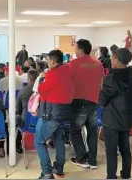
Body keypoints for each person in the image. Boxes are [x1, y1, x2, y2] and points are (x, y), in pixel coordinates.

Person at [99, 48, 132, 179]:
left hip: (112, 120)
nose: (111, 60)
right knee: (125, 148)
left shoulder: (110, 79)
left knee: (111, 151)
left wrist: (101, 88)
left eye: (112, 57)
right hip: (128, 119)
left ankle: (111, 176)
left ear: (117, 60)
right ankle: (126, 174)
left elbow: (102, 101)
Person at [35, 50, 73, 179]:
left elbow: (42, 90)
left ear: (52, 61)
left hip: (52, 113)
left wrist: (42, 80)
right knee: (59, 139)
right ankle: (59, 169)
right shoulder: (68, 70)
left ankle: (46, 173)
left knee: (39, 142)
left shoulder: (51, 74)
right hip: (65, 112)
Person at [69, 39, 104, 169]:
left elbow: (67, 83)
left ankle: (81, 158)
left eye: (76, 48)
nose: (74, 50)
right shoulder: (98, 63)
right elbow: (101, 84)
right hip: (94, 101)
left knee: (76, 130)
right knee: (92, 131)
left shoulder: (73, 64)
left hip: (78, 101)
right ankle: (92, 161)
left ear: (81, 51)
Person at [16, 70, 39, 153]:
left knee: (17, 118)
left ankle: (17, 145)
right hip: (41, 123)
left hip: (26, 124)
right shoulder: (44, 90)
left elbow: (18, 109)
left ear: (28, 79)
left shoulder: (22, 91)